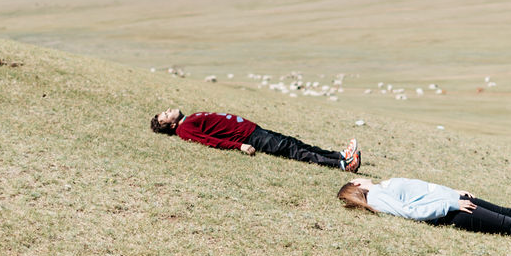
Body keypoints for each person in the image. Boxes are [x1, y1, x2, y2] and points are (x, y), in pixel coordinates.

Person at [337, 177, 511, 256]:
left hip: (455, 200)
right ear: (356, 186)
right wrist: (450, 205)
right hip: (453, 212)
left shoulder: (382, 188)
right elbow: (411, 212)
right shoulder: (378, 197)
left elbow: (422, 190)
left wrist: (454, 192)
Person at [151, 108, 361, 172]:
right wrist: (240, 146)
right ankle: (342, 165)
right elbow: (210, 141)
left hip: (251, 129)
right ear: (170, 125)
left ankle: (341, 155)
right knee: (292, 150)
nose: (168, 111)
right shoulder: (185, 129)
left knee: (294, 143)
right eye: (166, 115)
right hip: (248, 136)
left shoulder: (188, 119)